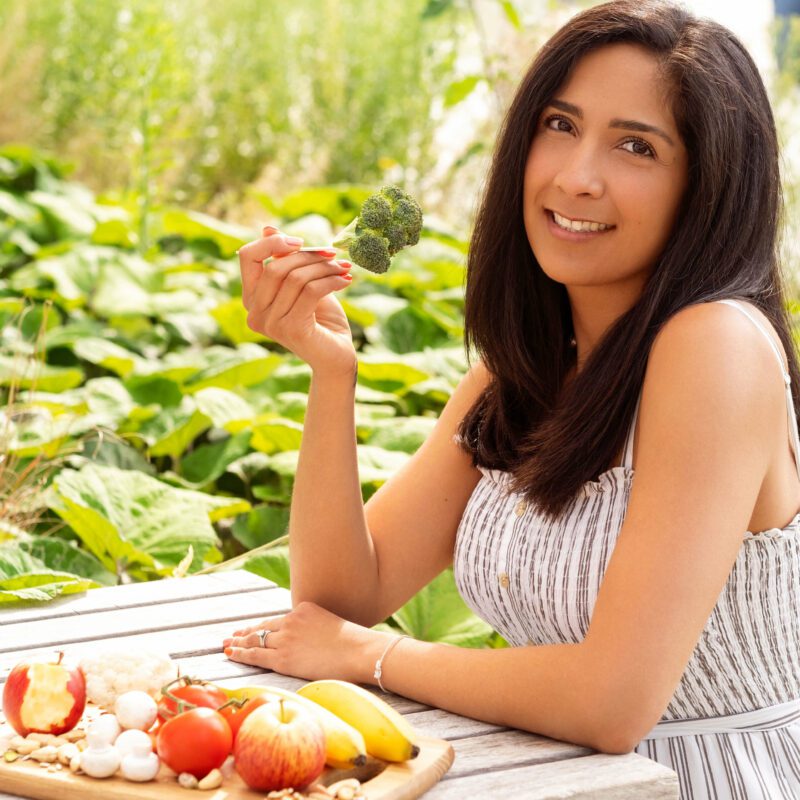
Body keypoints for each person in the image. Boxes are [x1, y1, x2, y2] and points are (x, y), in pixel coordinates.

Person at [223, 1, 800, 796]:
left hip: (698, 782)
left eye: (636, 145)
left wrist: (372, 657)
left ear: (706, 186)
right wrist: (331, 374)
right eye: (560, 126)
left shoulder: (716, 348)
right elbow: (338, 601)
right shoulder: (527, 367)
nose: (576, 176)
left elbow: (611, 704)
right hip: (549, 780)